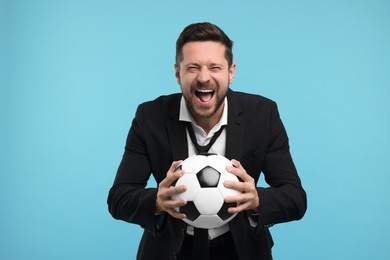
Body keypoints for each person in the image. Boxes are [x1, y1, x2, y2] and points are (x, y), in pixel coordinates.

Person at [108, 22, 307, 260]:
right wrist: (157, 202)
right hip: (170, 251)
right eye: (193, 67)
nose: (204, 78)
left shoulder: (262, 115)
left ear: (230, 72)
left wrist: (257, 199)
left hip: (242, 250)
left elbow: (295, 199)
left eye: (215, 67)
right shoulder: (150, 117)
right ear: (177, 73)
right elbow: (119, 199)